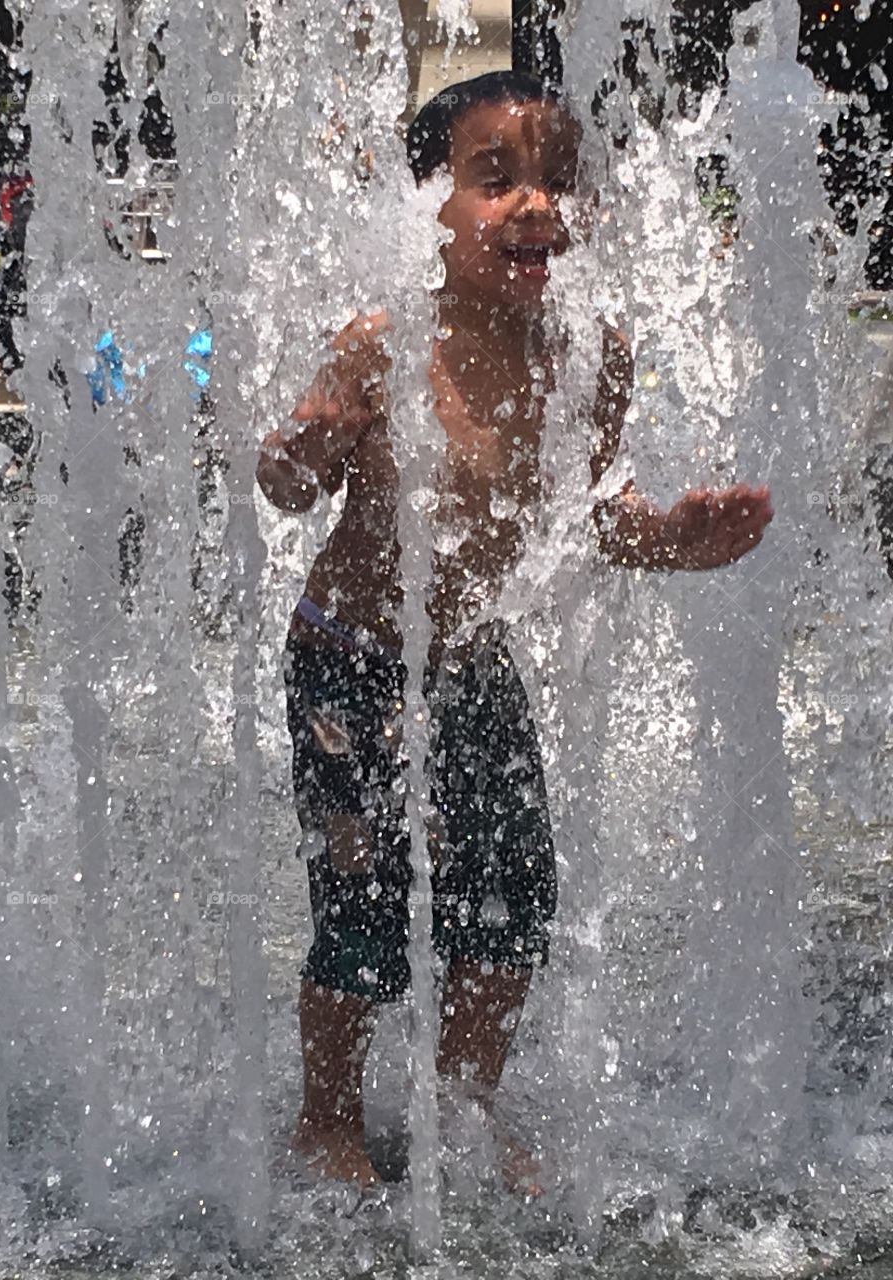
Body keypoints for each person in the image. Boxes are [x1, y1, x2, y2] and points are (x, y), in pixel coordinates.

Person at [256, 70, 773, 1193]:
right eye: (497, 181)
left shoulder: (593, 358)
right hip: (348, 661)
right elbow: (289, 486)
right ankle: (325, 1120)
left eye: (558, 182)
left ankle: (461, 1108)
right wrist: (306, 442)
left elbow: (590, 522)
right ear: (427, 207)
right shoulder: (382, 343)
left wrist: (674, 538)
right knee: (363, 912)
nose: (539, 205)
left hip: (470, 658)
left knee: (512, 902)